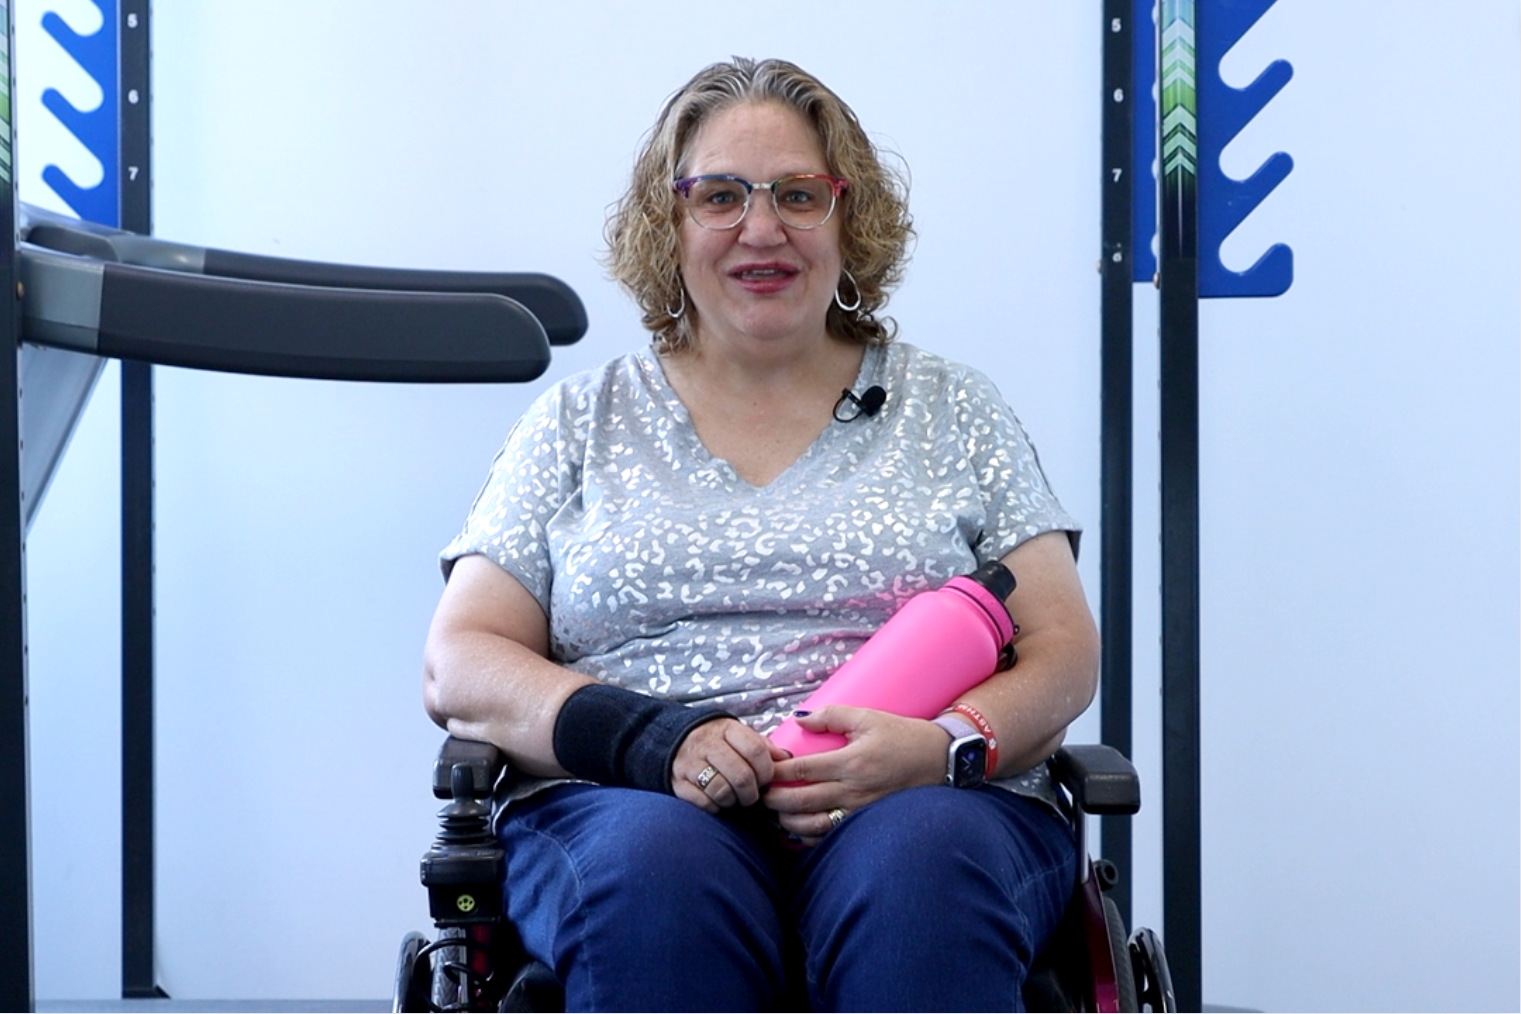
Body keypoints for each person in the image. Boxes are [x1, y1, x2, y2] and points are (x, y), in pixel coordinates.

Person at [423, 56, 1099, 1012]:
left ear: (846, 215)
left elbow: (1064, 652)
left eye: (796, 194)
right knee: (651, 884)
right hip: (635, 803)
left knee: (921, 871)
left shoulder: (954, 409)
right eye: (720, 196)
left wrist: (940, 748)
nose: (761, 228)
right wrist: (653, 740)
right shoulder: (578, 422)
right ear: (670, 219)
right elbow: (460, 664)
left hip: (926, 803)